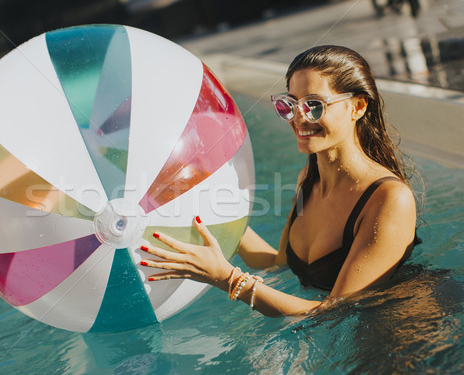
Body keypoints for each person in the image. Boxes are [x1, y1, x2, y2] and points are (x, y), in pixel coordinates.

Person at [139, 45, 420, 317]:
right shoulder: (308, 180)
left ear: (357, 106)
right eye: (290, 104)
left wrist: (228, 279)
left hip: (397, 342)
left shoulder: (390, 199)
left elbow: (337, 312)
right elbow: (278, 264)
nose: (298, 118)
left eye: (314, 105)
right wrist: (201, 200)